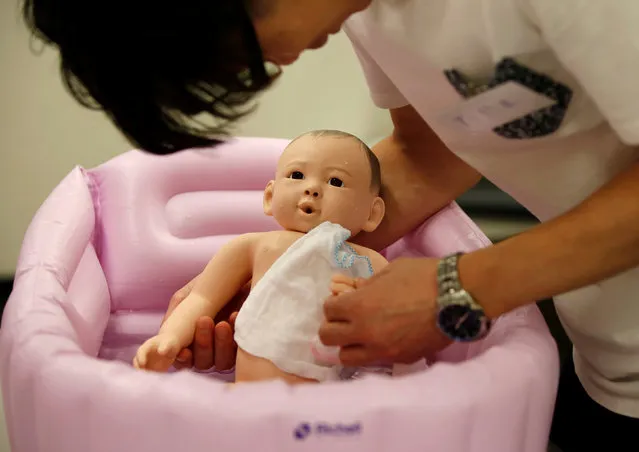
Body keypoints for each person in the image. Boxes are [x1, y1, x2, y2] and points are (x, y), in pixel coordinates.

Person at [22, 0, 639, 449]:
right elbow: (430, 155)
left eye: (239, 52)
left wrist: (461, 288)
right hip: (606, 358)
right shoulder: (363, 12)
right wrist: (275, 284)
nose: (265, 67)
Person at [133, 130, 388, 384]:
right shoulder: (253, 246)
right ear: (269, 197)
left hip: (328, 399)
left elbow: (395, 326)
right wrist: (169, 338)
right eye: (297, 175)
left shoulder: (370, 263)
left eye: (335, 181)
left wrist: (361, 312)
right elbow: (202, 297)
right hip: (249, 392)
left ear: (372, 214)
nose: (312, 189)